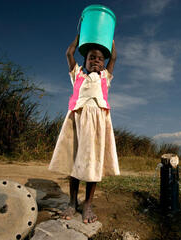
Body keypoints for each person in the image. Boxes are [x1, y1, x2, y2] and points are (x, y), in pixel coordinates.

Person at [48, 35, 120, 223]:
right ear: (85, 61)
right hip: (77, 121)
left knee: (93, 163)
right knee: (75, 162)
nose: (96, 61)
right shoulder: (77, 75)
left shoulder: (105, 77)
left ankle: (87, 203)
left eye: (99, 59)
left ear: (103, 64)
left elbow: (113, 57)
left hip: (97, 124)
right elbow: (68, 53)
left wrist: (108, 37)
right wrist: (80, 37)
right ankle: (72, 202)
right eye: (91, 58)